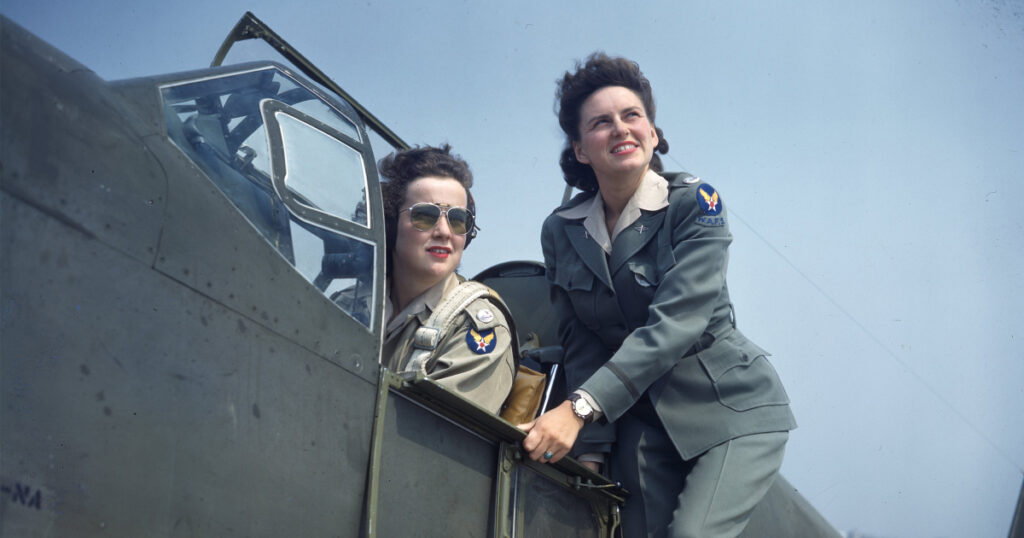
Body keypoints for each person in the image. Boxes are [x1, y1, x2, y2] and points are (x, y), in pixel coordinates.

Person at [519, 53, 797, 537]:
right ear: (581, 149)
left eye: (632, 116)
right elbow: (581, 339)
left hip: (730, 408)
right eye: (601, 123)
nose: (621, 129)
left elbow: (675, 326)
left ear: (653, 133)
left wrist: (580, 410)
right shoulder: (561, 231)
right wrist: (593, 446)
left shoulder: (695, 204)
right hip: (641, 420)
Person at [378, 144, 515, 414]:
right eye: (425, 216)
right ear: (391, 222)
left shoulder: (476, 326)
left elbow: (430, 440)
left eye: (458, 219)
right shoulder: (356, 301)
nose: (444, 231)